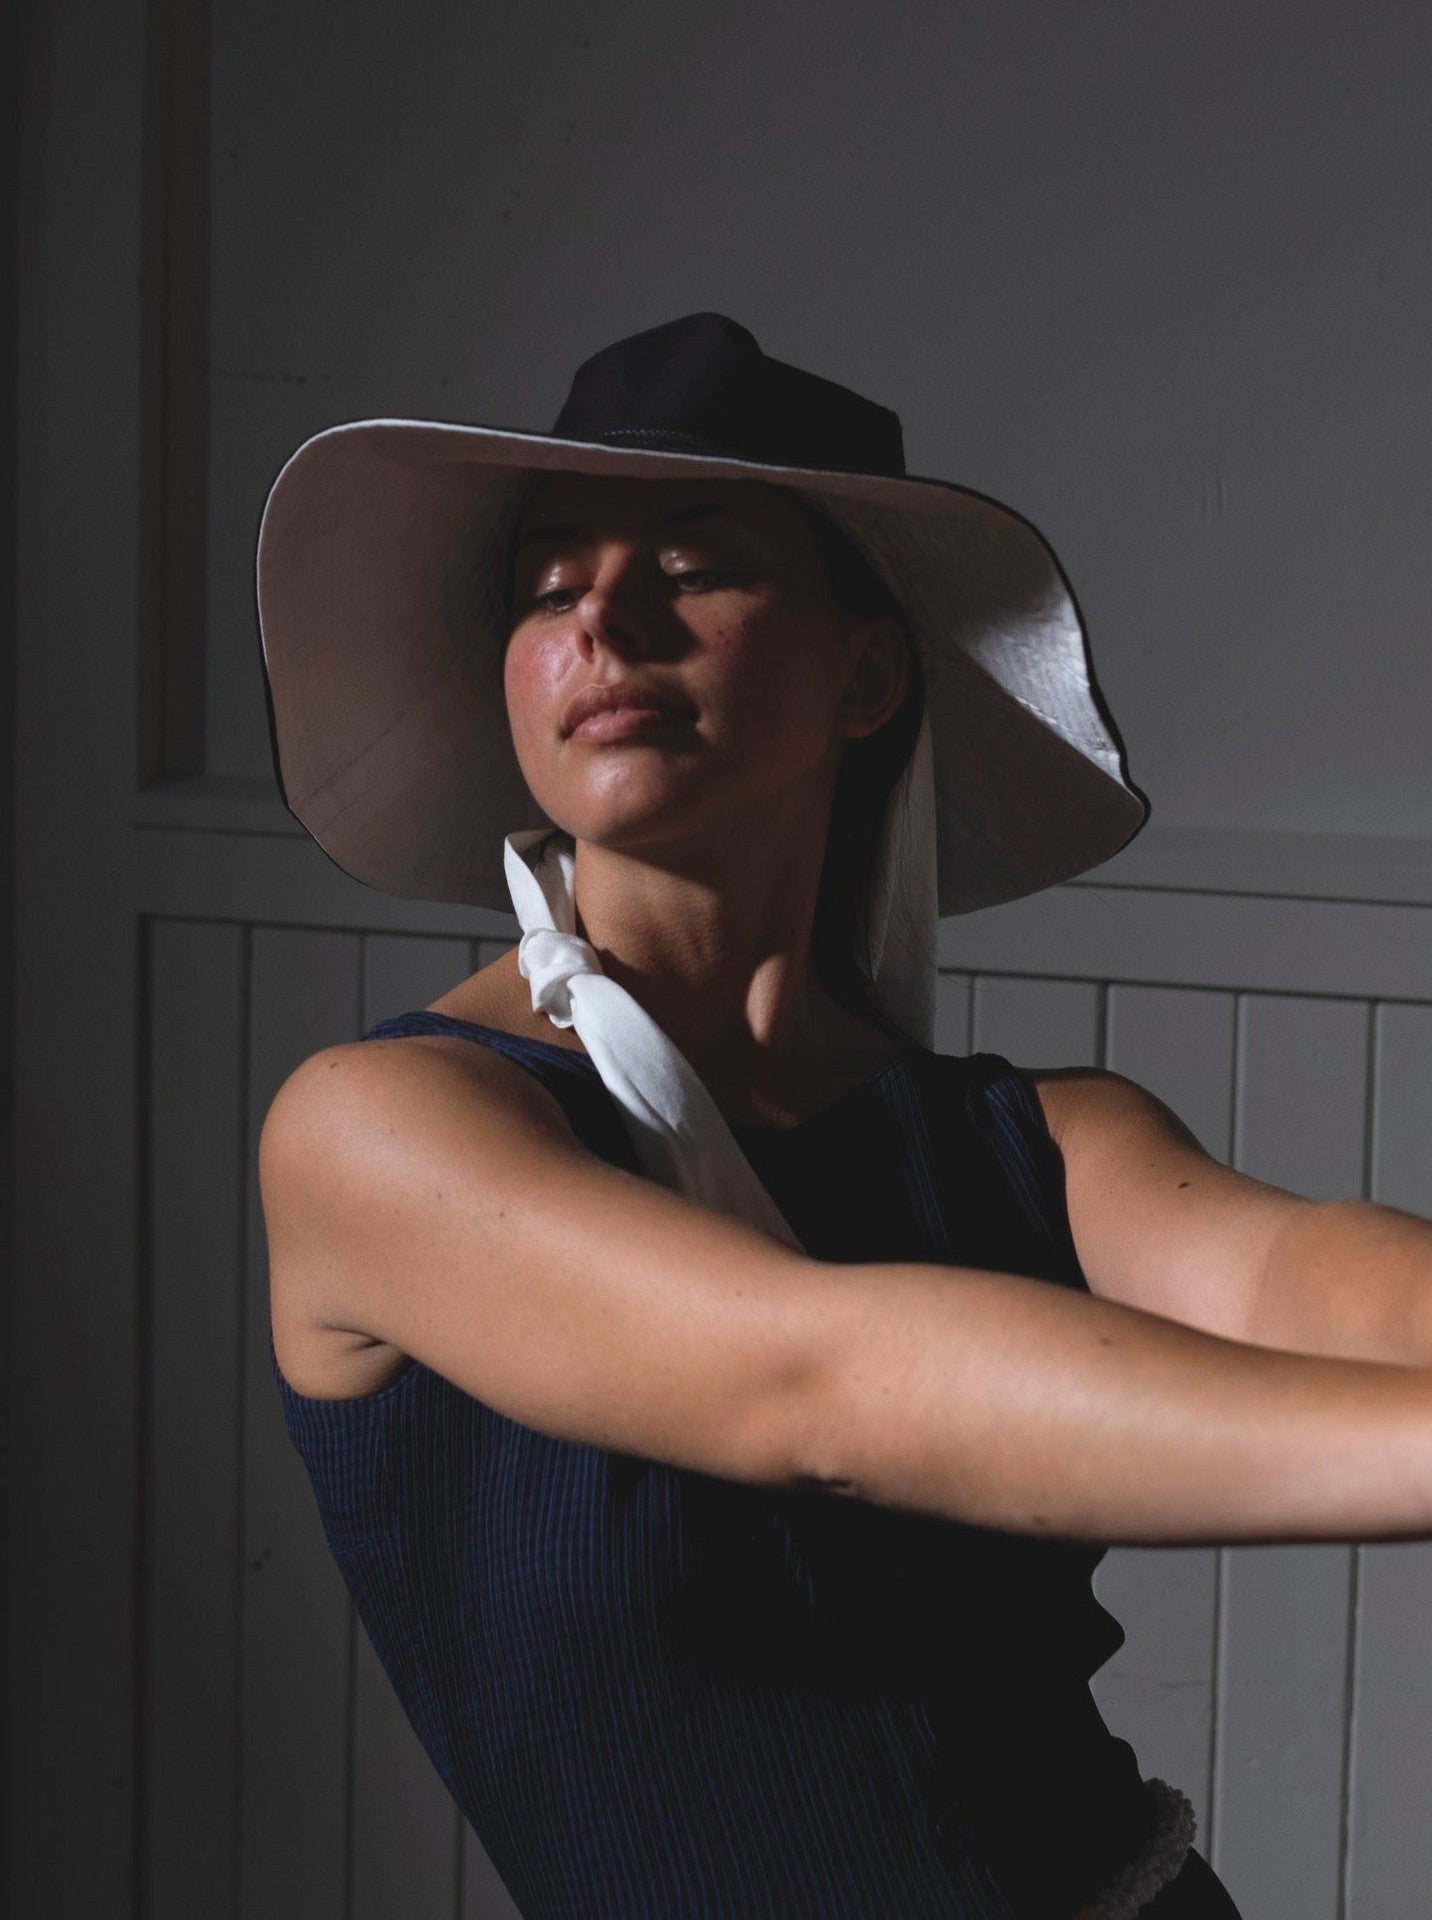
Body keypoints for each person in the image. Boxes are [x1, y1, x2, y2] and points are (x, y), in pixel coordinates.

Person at [254, 314, 1432, 1919]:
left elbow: (1316, 1279)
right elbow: (817, 1387)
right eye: (548, 578)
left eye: (694, 559)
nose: (603, 612)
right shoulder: (379, 1131)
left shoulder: (1045, 1139)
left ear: (868, 670)